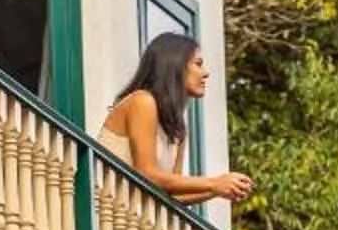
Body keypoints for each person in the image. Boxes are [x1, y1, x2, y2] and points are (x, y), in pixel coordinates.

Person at [101, 34, 251, 206]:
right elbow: (146, 173)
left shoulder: (178, 127)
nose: (206, 73)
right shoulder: (142, 101)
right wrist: (214, 183)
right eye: (198, 64)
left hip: (132, 224)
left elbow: (173, 194)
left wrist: (216, 191)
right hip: (108, 215)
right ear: (175, 64)